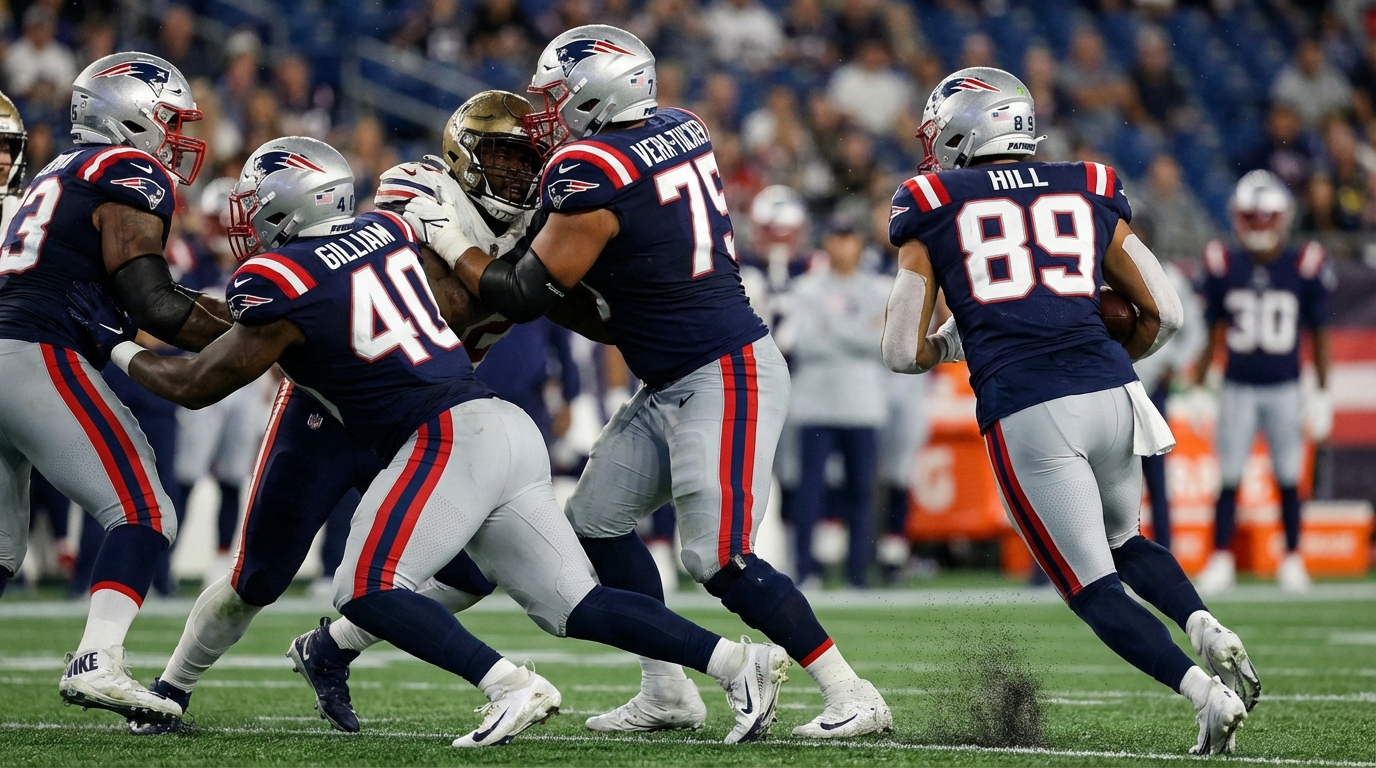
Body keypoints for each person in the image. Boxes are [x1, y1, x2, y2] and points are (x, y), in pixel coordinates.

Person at [75, 135, 789, 748]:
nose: (515, 174)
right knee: (570, 604)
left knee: (366, 587)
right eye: (501, 159)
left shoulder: (292, 272)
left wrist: (108, 340)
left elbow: (207, 375)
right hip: (463, 423)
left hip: (435, 432)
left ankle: (509, 684)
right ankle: (736, 662)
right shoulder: (395, 222)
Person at [413, 24, 890, 739]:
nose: (549, 110)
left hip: (723, 372)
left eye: (558, 93)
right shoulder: (681, 127)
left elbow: (521, 294)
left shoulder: (593, 169)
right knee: (594, 521)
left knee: (717, 556)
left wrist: (448, 236)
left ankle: (850, 691)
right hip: (672, 378)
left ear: (598, 91)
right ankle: (666, 691)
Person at [124, 91, 550, 734]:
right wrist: (468, 247)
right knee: (258, 577)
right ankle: (172, 688)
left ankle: (328, 649)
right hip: (331, 413)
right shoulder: (415, 198)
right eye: (500, 155)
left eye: (524, 159)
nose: (516, 172)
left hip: (421, 416)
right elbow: (450, 305)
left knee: (466, 575)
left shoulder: (545, 226)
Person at [883, 66, 1260, 755]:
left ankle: (1204, 696)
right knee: (1129, 540)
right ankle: (1205, 624)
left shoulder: (931, 199)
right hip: (1115, 390)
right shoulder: (1087, 184)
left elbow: (900, 353)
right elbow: (1166, 313)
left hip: (1029, 402)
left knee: (1090, 588)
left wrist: (949, 344)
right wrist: (1106, 362)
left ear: (971, 127)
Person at [0, 52, 222, 725]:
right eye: (170, 119)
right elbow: (155, 303)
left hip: (9, 344)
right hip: (34, 351)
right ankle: (98, 659)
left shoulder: (59, 170)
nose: (177, 137)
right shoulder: (127, 168)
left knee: (2, 550)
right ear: (129, 114)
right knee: (146, 510)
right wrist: (262, 328)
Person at [1191, 171, 1333, 596]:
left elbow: (1320, 334)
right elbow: (1211, 330)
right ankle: (1221, 558)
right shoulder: (1222, 263)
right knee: (1229, 475)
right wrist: (1199, 385)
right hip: (1237, 384)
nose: (1257, 226)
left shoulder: (1304, 264)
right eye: (1250, 218)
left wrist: (1324, 392)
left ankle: (1292, 556)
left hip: (1286, 385)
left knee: (1289, 475)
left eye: (1263, 217)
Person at [777, 216, 890, 588]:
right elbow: (804, 344)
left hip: (862, 404)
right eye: (836, 238)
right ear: (826, 243)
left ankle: (858, 572)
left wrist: (832, 327)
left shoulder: (879, 288)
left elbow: (884, 344)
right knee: (808, 489)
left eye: (849, 238)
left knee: (861, 491)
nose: (842, 246)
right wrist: (859, 331)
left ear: (859, 243)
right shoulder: (806, 288)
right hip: (815, 403)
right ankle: (805, 569)